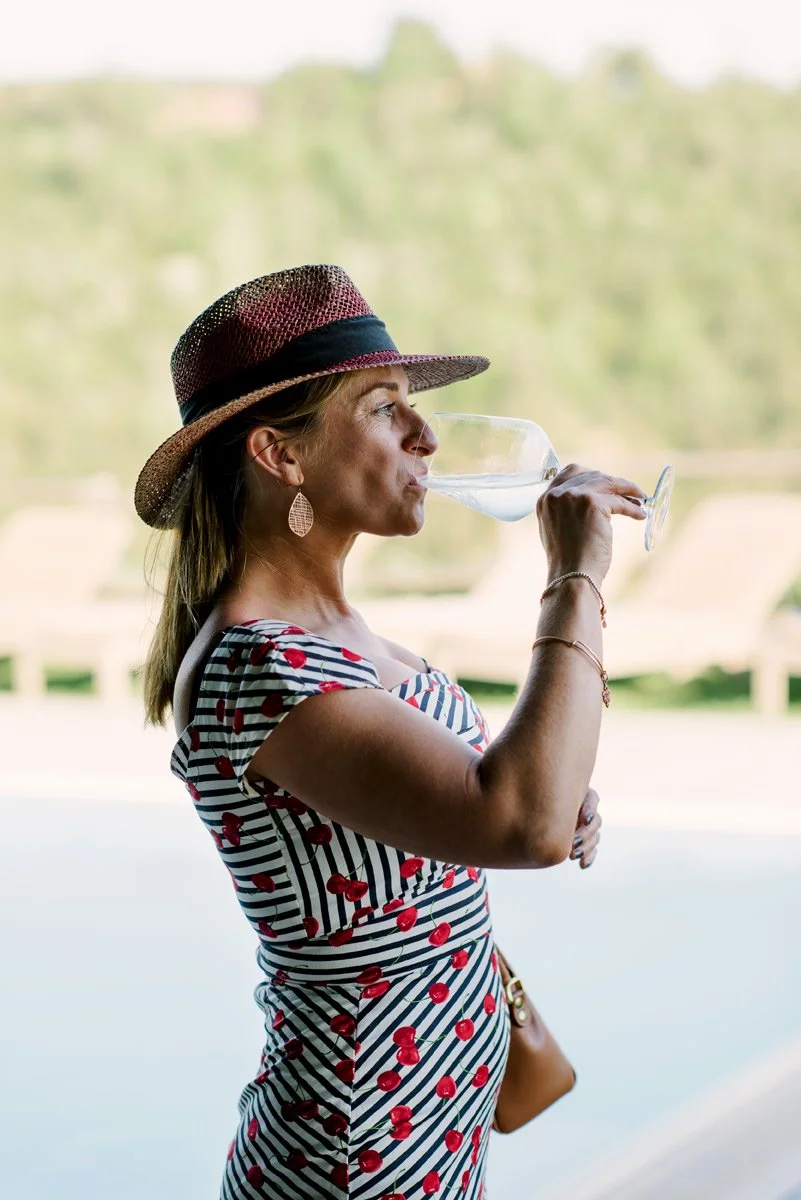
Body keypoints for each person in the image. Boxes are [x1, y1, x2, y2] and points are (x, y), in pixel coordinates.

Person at [136, 264, 647, 1200]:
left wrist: (553, 778)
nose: (426, 435)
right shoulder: (263, 665)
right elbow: (517, 826)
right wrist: (574, 573)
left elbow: (483, 805)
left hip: (432, 1128)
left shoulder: (341, 636)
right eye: (381, 409)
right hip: (353, 1153)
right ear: (280, 455)